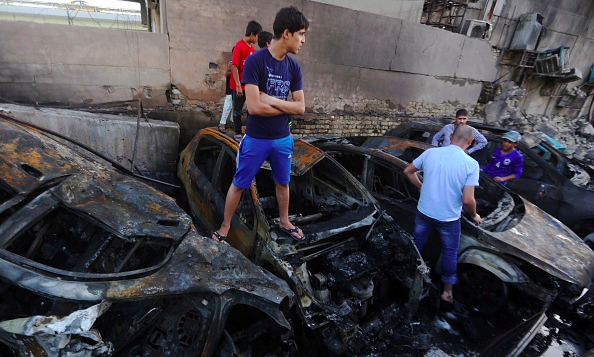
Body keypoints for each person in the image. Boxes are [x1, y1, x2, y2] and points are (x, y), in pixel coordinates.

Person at [211, 6, 309, 243]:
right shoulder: (256, 61)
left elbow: (302, 107)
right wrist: (284, 106)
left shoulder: (293, 67)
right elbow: (254, 107)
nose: (303, 41)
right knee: (239, 183)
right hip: (256, 139)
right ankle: (225, 227)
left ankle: (284, 221)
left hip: (282, 139)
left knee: (283, 183)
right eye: (301, 34)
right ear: (287, 33)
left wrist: (270, 99)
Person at [404, 124, 483, 304]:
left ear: (451, 136)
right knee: (449, 252)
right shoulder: (471, 164)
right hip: (448, 219)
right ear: (470, 142)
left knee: (417, 244)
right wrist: (474, 216)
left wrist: (422, 186)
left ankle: (407, 272)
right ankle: (447, 292)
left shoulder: (431, 153)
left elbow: (408, 171)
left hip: (424, 212)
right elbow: (468, 200)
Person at [231, 20, 262, 141]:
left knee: (251, 110)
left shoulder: (252, 48)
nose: (258, 39)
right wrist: (238, 85)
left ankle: (249, 132)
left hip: (248, 86)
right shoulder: (239, 46)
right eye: (258, 36)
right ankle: (238, 132)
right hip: (238, 86)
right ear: (252, 34)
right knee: (237, 110)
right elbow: (234, 66)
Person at [218, 47, 235, 133]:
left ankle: (232, 122)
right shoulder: (231, 63)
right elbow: (226, 74)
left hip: (238, 86)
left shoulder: (242, 62)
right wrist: (234, 71)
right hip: (231, 86)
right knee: (228, 105)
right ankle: (222, 123)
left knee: (235, 106)